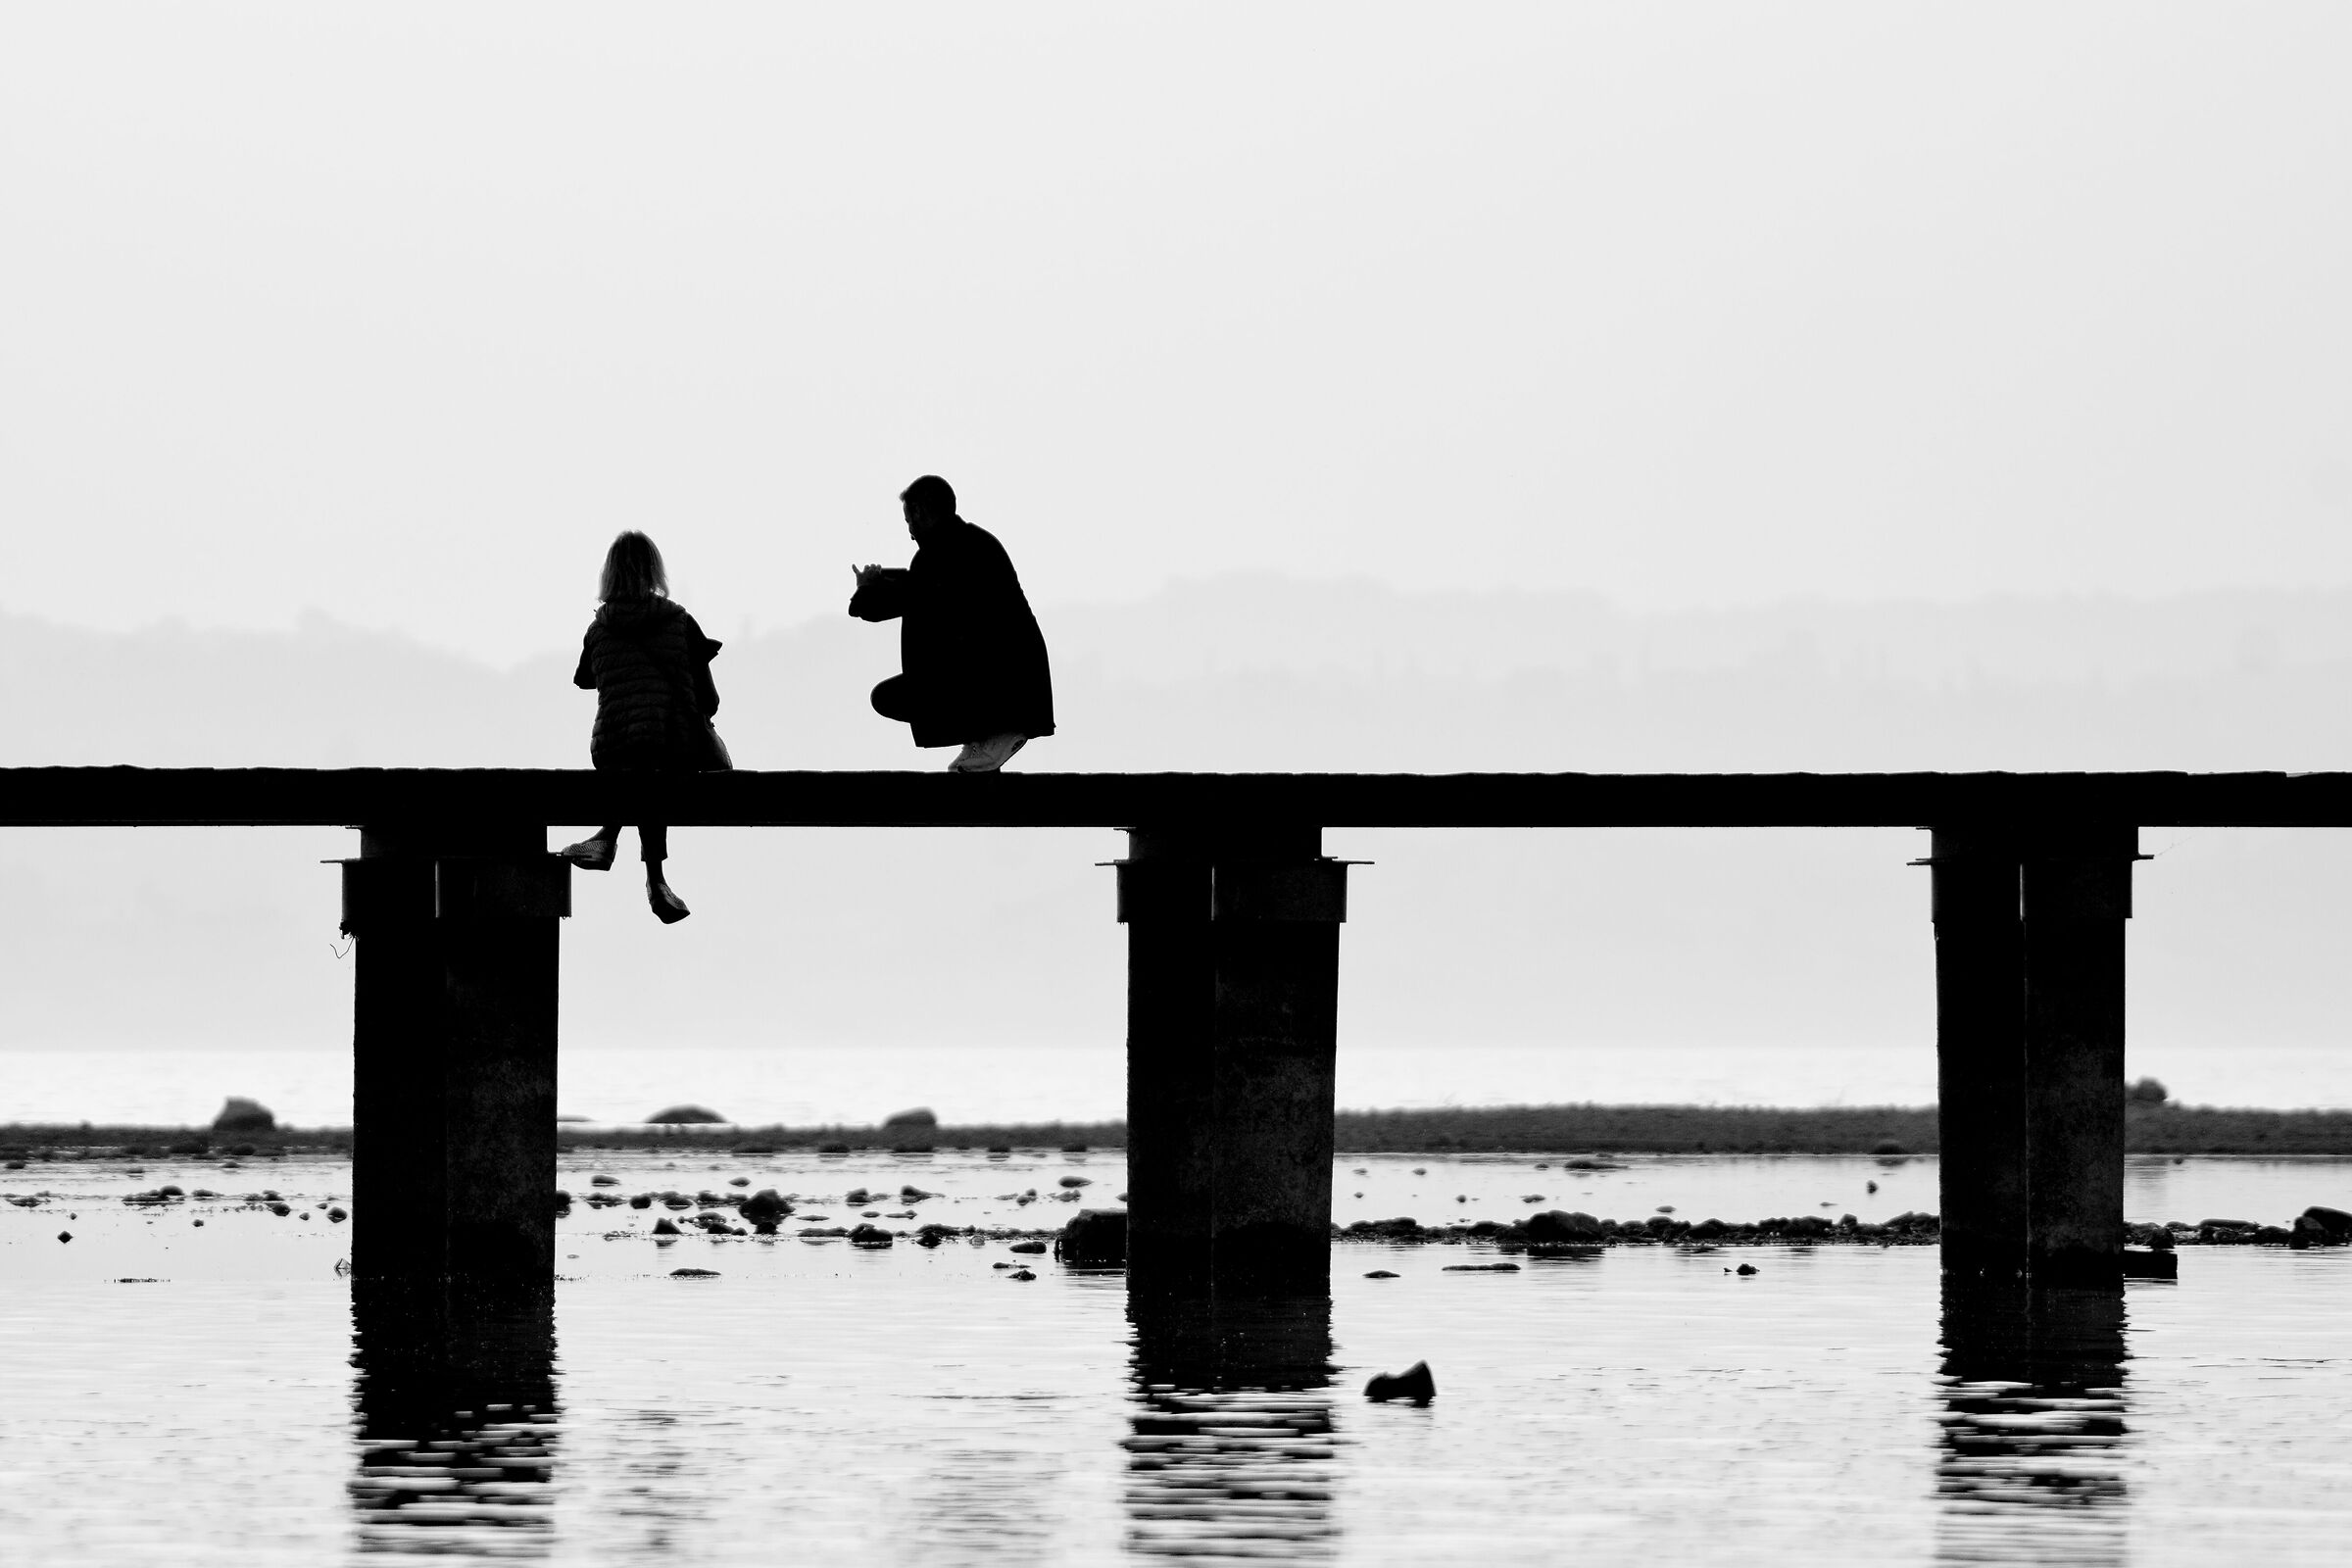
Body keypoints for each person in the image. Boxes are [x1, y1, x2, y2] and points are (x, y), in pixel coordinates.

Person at [560, 531, 728, 923]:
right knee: (654, 766)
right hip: (668, 748)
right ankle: (655, 880)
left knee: (641, 768)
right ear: (655, 570)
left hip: (611, 748)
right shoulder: (678, 621)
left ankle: (607, 837)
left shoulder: (598, 628)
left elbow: (584, 678)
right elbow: (711, 702)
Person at [849, 475, 1054, 771]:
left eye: (909, 521)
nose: (910, 533)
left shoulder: (942, 556)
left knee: (888, 697)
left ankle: (998, 731)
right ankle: (984, 735)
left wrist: (867, 590)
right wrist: (874, 588)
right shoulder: (970, 544)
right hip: (1010, 683)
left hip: (1005, 687)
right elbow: (914, 589)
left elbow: (899, 599)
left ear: (920, 513)